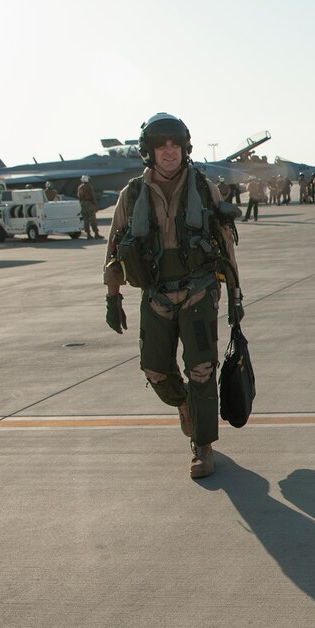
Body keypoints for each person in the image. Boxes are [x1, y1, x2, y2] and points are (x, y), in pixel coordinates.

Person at [102, 113, 242, 478]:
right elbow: (116, 245)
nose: (169, 152)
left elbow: (225, 240)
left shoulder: (202, 187)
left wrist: (236, 293)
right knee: (155, 370)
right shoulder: (132, 194)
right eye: (161, 145)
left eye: (175, 145)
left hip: (198, 291)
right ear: (149, 151)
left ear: (184, 148)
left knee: (201, 369)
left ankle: (203, 445)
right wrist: (112, 296)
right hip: (156, 295)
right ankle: (183, 405)